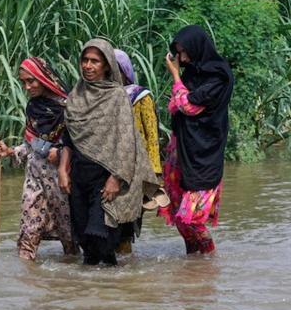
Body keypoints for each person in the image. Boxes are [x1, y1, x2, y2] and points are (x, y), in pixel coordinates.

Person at [58, 39, 159, 265]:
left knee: (101, 237)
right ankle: (97, 285)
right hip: (79, 177)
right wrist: (63, 170)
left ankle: (112, 285)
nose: (88, 66)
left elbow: (127, 142)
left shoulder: (117, 96)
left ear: (107, 65)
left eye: (95, 61)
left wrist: (116, 178)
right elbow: (69, 138)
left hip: (105, 178)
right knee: (85, 241)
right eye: (85, 60)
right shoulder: (75, 96)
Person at [159, 25, 233, 254]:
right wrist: (180, 83)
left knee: (191, 218)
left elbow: (187, 106)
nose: (181, 59)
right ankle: (193, 265)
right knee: (179, 217)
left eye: (185, 52)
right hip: (181, 150)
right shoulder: (192, 73)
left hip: (205, 153)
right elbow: (175, 105)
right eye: (178, 53)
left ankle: (211, 259)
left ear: (197, 48)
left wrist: (175, 76)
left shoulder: (218, 76)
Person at [0, 57, 76, 260]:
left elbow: (81, 144)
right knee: (28, 232)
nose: (27, 87)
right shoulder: (33, 107)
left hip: (61, 179)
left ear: (44, 78)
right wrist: (10, 151)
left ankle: (72, 275)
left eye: (31, 81)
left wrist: (61, 154)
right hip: (35, 176)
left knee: (69, 236)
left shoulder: (70, 108)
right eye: (23, 82)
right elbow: (32, 145)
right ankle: (25, 276)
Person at [113, 49, 162, 254]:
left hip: (135, 168)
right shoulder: (101, 97)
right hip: (108, 167)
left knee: (126, 224)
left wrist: (154, 173)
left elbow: (152, 136)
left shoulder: (140, 96)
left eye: (114, 68)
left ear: (124, 70)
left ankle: (126, 266)